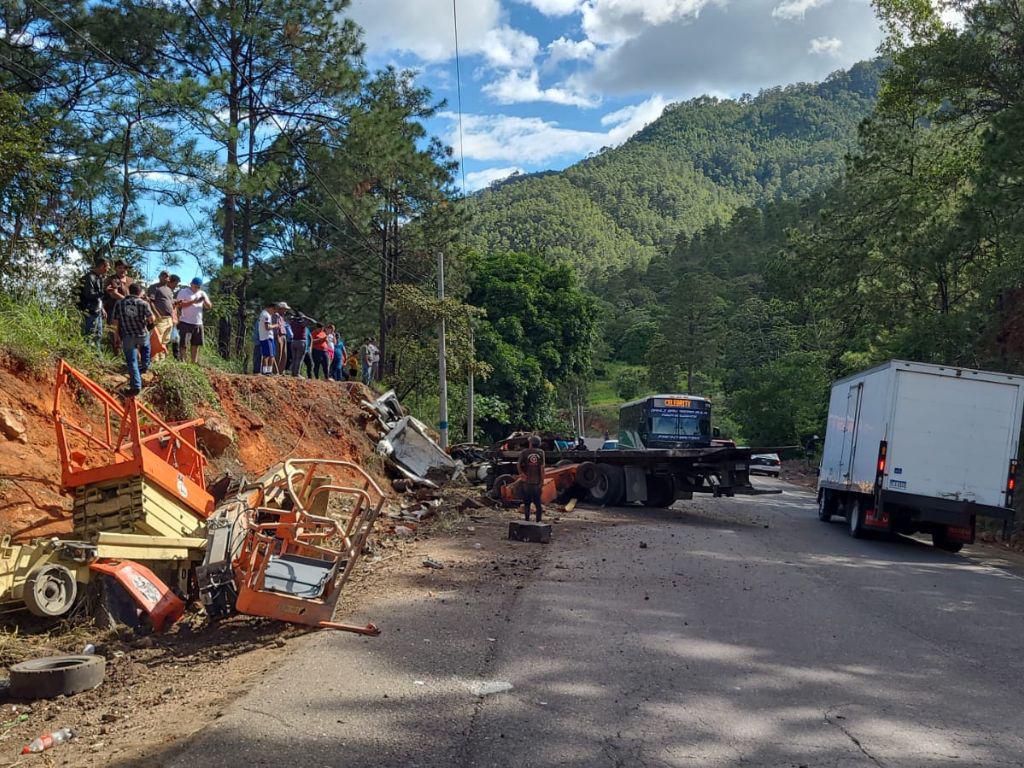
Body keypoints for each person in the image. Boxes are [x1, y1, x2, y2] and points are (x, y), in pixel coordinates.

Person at [111, 282, 155, 396]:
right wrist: (149, 325)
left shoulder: (120, 303)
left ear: (129, 291)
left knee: (132, 361)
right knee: (146, 346)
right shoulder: (143, 303)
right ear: (139, 292)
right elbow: (151, 318)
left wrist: (116, 335)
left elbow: (115, 322)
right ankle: (145, 366)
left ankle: (135, 385)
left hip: (128, 336)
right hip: (141, 334)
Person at [174, 277, 211, 364]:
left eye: (198, 287)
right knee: (183, 344)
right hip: (185, 322)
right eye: (195, 286)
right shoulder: (183, 292)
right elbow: (180, 304)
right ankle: (183, 362)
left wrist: (204, 300)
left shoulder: (202, 293)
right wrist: (193, 301)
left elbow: (209, 306)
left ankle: (194, 362)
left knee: (196, 344)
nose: (197, 288)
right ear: (191, 284)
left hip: (198, 322)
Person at [78, 258, 109, 350]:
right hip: (90, 311)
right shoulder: (89, 277)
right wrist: (105, 292)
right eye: (107, 267)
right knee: (89, 334)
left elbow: (98, 296)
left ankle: (97, 357)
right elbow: (89, 294)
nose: (108, 269)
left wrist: (102, 308)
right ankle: (87, 355)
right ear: (102, 266)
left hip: (97, 310)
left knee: (98, 335)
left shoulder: (99, 277)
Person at [145, 271, 175, 361]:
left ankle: (162, 360)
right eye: (163, 276)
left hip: (169, 318)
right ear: (159, 276)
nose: (165, 277)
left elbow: (171, 302)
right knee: (156, 340)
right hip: (160, 318)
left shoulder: (169, 289)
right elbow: (150, 301)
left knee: (165, 340)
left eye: (167, 276)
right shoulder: (154, 287)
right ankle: (154, 360)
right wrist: (156, 314)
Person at [103, 260, 132, 352]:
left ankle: (125, 354)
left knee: (127, 332)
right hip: (113, 310)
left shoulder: (130, 280)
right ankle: (113, 353)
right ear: (115, 268)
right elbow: (113, 294)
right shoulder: (111, 279)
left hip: (128, 311)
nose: (122, 270)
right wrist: (128, 300)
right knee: (112, 331)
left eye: (124, 268)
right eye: (120, 267)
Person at [517, 435, 546, 522]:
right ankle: (538, 521)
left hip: (527, 482)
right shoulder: (541, 453)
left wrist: (522, 474)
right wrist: (542, 481)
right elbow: (542, 468)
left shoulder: (524, 452)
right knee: (538, 503)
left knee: (527, 503)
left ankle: (527, 520)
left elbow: (518, 464)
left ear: (531, 443)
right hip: (537, 482)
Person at [256, 301, 278, 375]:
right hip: (267, 337)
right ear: (271, 308)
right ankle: (267, 371)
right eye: (274, 310)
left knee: (268, 354)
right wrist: (276, 325)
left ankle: (266, 371)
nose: (274, 312)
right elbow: (267, 327)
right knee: (269, 355)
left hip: (265, 337)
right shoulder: (266, 315)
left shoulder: (264, 313)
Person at [287, 312, 310, 377]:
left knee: (294, 358)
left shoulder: (292, 323)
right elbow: (308, 322)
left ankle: (293, 373)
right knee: (299, 359)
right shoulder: (302, 323)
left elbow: (289, 321)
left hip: (293, 341)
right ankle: (297, 373)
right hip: (301, 342)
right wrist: (305, 317)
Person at [275, 303, 291, 374]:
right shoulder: (276, 315)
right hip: (279, 336)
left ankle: (281, 371)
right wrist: (277, 336)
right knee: (278, 354)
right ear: (280, 308)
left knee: (284, 355)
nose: (286, 311)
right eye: (285, 309)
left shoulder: (282, 317)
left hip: (284, 336)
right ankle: (275, 371)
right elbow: (276, 327)